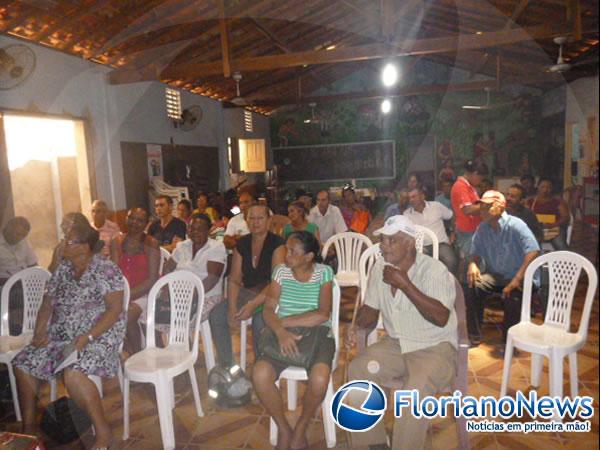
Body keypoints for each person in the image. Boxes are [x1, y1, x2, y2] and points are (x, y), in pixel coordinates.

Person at [346, 215, 457, 450]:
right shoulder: (380, 267)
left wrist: (405, 285)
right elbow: (370, 311)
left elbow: (441, 317)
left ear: (409, 243)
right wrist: (357, 326)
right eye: (382, 241)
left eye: (391, 241)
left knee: (412, 394)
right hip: (396, 345)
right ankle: (373, 444)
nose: (383, 246)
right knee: (357, 369)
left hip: (434, 347)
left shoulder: (434, 270)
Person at [13, 215, 125, 448]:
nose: (64, 244)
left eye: (70, 241)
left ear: (85, 246)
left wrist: (88, 336)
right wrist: (39, 332)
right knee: (22, 363)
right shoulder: (63, 269)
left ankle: (102, 430)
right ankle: (29, 429)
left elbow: (115, 310)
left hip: (99, 336)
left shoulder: (105, 269)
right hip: (61, 336)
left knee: (73, 373)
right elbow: (47, 302)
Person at [252, 231, 335, 450]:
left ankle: (300, 428)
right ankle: (284, 428)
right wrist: (280, 331)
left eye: (292, 251)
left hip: (317, 334)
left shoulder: (324, 273)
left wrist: (286, 322)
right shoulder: (281, 272)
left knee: (319, 379)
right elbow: (268, 309)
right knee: (260, 375)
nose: (286, 255)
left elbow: (322, 314)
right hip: (282, 333)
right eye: (286, 249)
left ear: (308, 256)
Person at [465, 191, 540, 346]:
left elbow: (533, 251)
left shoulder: (516, 225)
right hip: (497, 276)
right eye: (482, 206)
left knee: (513, 294)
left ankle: (509, 341)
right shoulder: (482, 228)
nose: (483, 210)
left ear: (501, 206)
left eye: (488, 206)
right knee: (472, 285)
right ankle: (474, 334)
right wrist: (473, 264)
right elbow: (475, 251)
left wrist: (517, 279)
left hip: (520, 276)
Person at [224, 204, 286, 367]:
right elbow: (234, 279)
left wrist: (252, 305)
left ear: (269, 220)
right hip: (248, 292)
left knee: (261, 320)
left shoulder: (278, 244)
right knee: (217, 315)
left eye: (260, 218)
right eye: (251, 218)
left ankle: (263, 368)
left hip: (273, 294)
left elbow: (276, 281)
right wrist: (231, 308)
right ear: (246, 220)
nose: (255, 222)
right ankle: (227, 366)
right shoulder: (242, 244)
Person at [165, 214, 228, 363]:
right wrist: (168, 291)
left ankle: (183, 360)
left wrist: (187, 296)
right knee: (154, 312)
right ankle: (180, 353)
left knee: (179, 315)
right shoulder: (182, 246)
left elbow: (212, 279)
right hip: (179, 296)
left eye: (200, 229)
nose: (195, 232)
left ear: (208, 231)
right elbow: (168, 269)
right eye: (192, 229)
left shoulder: (216, 247)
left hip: (207, 296)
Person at [110, 208, 160, 354]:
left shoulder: (151, 243)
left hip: (146, 293)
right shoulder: (116, 241)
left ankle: (136, 353)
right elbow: (112, 274)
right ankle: (135, 352)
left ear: (146, 223)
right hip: (123, 294)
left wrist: (127, 296)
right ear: (126, 219)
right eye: (131, 218)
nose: (134, 223)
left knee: (125, 315)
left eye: (140, 220)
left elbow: (152, 279)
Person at [404, 187, 458, 274]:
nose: (411, 200)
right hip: (421, 246)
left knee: (451, 261)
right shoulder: (406, 214)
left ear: (422, 196)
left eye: (414, 197)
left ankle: (448, 285)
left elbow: (452, 216)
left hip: (440, 244)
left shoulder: (436, 206)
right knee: (418, 267)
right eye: (409, 198)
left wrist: (453, 233)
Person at [450, 159, 489, 262]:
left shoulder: (470, 186)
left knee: (476, 262)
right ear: (475, 174)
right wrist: (489, 205)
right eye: (481, 179)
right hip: (467, 232)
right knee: (472, 264)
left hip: (474, 230)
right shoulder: (460, 186)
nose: (480, 182)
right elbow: (467, 210)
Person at [525, 178, 570, 251]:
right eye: (542, 187)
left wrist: (553, 225)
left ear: (552, 189)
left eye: (548, 187)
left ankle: (566, 260)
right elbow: (526, 215)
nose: (545, 190)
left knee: (560, 244)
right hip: (537, 229)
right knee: (532, 245)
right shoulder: (530, 201)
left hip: (555, 228)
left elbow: (565, 217)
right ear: (538, 187)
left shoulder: (558, 201)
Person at [0, 217, 37, 284]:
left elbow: (33, 265)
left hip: (24, 282)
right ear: (8, 228)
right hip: (4, 285)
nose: (20, 238)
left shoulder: (24, 242)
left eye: (24, 236)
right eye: (18, 234)